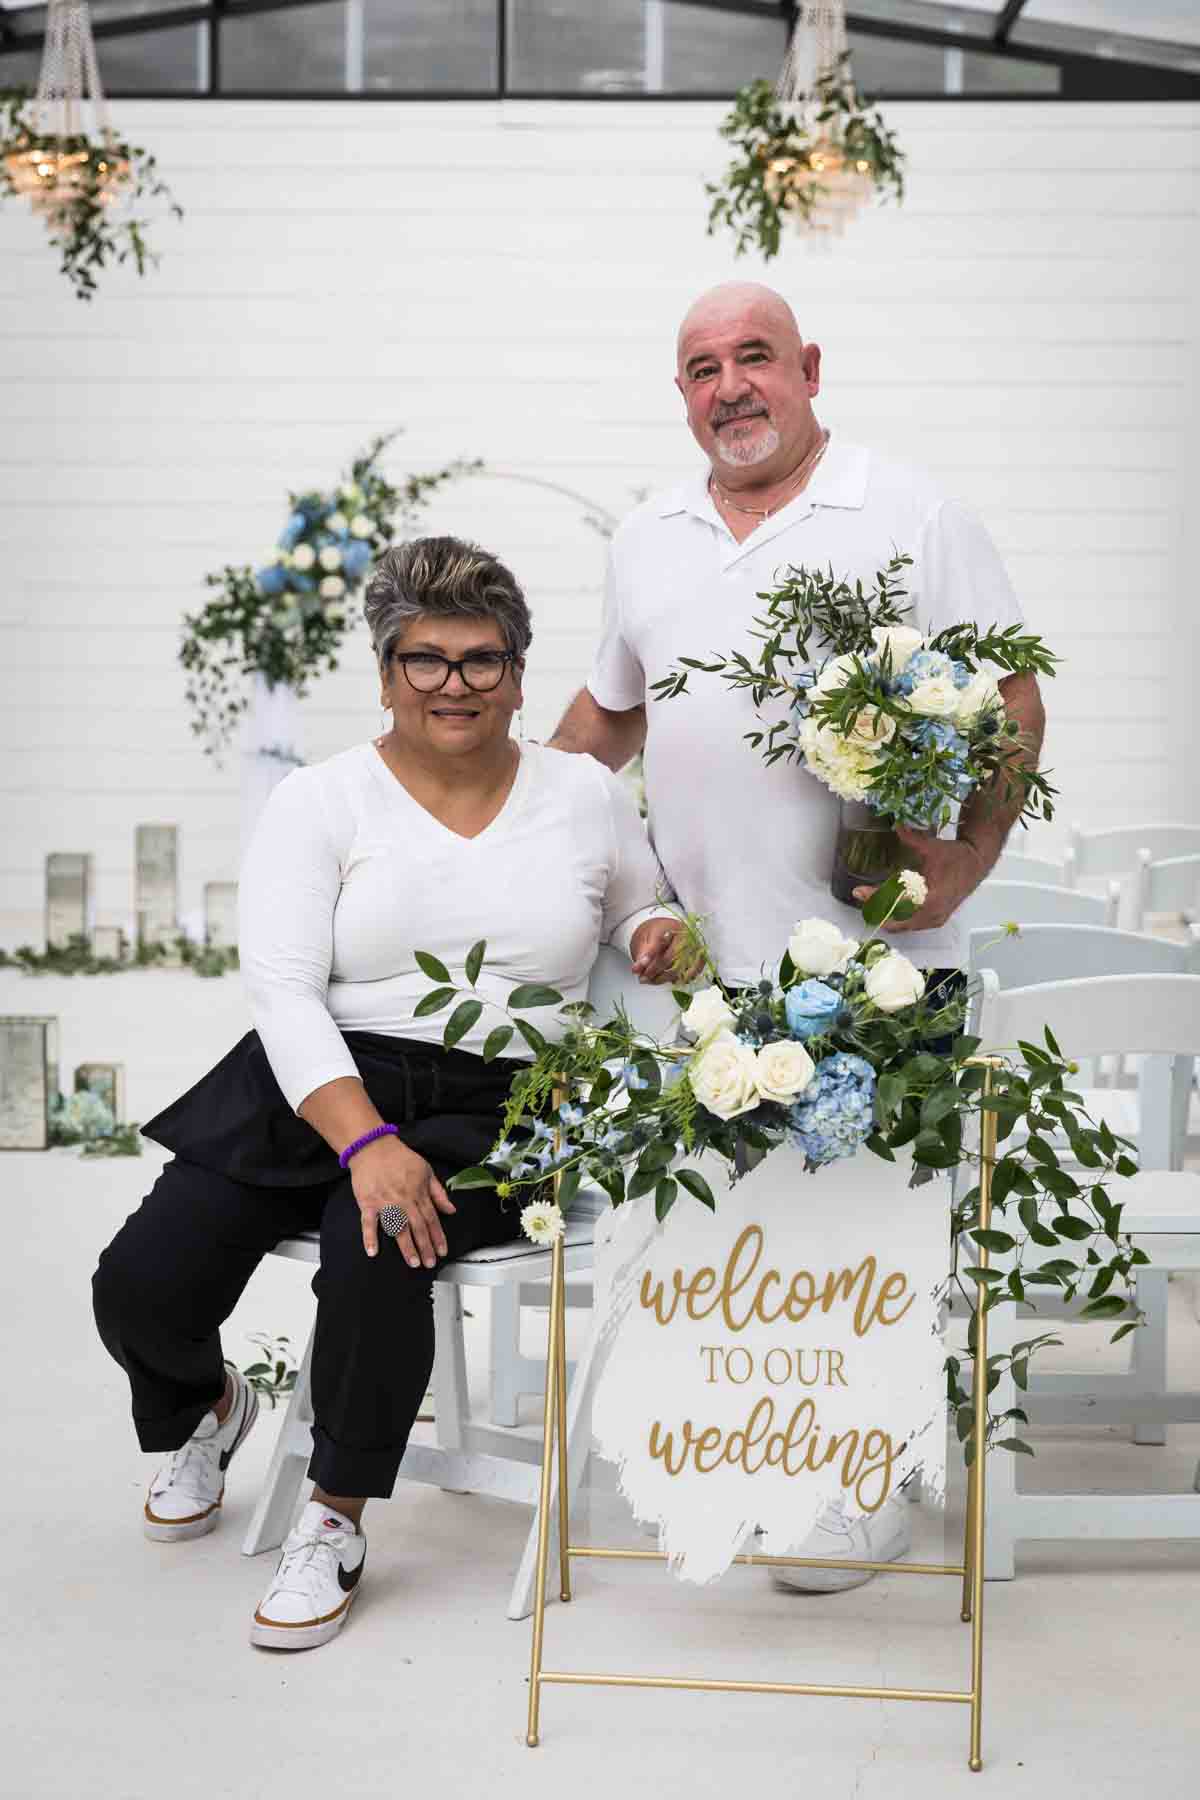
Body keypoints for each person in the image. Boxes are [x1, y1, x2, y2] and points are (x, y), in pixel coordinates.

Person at [93, 535, 686, 1652]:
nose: (454, 685)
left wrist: (657, 932)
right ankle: (209, 1409)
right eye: (426, 659)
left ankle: (336, 1517)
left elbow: (638, 906)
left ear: (517, 670)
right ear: (385, 673)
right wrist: (366, 1140)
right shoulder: (323, 800)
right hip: (321, 1078)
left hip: (502, 1100)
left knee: (376, 1251)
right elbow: (280, 985)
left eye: (481, 659)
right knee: (140, 1283)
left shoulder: (583, 794)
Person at [550, 280, 1046, 1593]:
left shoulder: (909, 511)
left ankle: (869, 1488)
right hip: (705, 977)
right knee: (749, 1246)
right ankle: (772, 1456)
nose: (730, 388)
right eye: (702, 369)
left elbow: (1011, 699)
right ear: (683, 396)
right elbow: (603, 729)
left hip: (872, 956)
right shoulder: (649, 536)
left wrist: (957, 864)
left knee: (871, 1236)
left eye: (753, 357)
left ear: (809, 367)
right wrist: (517, 833)